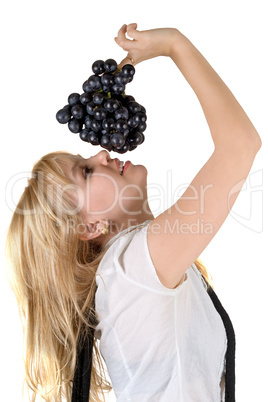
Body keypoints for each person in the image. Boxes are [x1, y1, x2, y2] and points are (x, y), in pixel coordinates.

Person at [5, 23, 262, 402]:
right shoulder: (131, 268)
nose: (101, 153)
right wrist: (175, 44)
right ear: (88, 226)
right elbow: (241, 145)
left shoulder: (131, 274)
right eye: (86, 171)